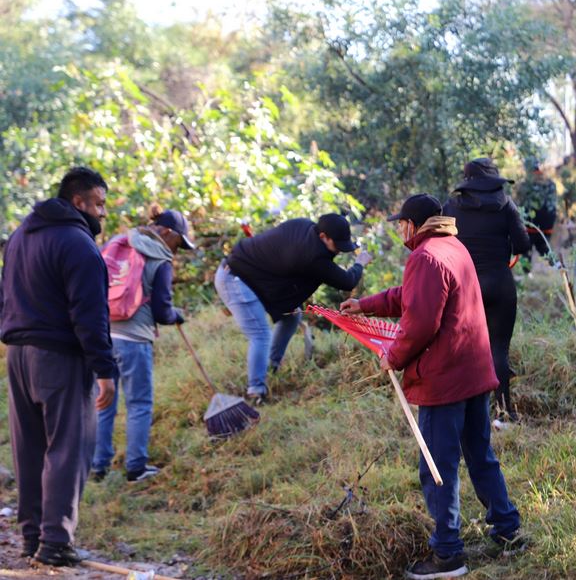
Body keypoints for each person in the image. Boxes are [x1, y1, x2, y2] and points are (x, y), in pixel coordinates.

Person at [340, 194, 522, 580]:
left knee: (438, 467)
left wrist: (394, 356)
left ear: (414, 223)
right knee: (480, 454)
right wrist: (366, 305)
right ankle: (508, 530)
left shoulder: (425, 257)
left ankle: (448, 554)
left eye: (400, 223)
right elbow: (413, 297)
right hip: (473, 372)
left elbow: (421, 322)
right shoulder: (453, 247)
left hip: (445, 380)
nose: (399, 230)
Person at [0, 167, 118, 566]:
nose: (103, 213)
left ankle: (32, 538)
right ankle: (54, 543)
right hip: (60, 358)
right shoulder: (79, 244)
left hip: (18, 356)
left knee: (29, 450)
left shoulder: (20, 236)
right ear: (78, 202)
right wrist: (105, 370)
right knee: (69, 448)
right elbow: (90, 316)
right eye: (99, 204)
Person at [215, 213, 371, 404]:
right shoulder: (313, 257)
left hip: (254, 277)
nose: (339, 250)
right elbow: (347, 281)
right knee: (260, 335)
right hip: (235, 279)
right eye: (336, 245)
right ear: (323, 236)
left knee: (291, 316)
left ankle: (271, 367)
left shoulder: (303, 225)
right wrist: (359, 263)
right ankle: (256, 392)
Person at [92, 206, 193, 483]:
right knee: (138, 403)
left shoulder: (120, 242)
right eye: (179, 243)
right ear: (168, 232)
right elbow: (162, 311)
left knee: (104, 400)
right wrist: (176, 315)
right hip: (134, 340)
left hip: (103, 335)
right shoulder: (160, 257)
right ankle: (136, 467)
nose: (177, 250)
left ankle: (98, 466)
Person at [443, 158, 530, 425]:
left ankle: (465, 414)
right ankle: (504, 412)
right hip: (500, 283)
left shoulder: (450, 207)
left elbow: (439, 246)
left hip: (465, 287)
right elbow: (523, 245)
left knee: (463, 350)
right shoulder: (506, 205)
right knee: (498, 349)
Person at [516, 156, 558, 266]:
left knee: (526, 250)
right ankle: (559, 268)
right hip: (547, 223)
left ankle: (526, 272)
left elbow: (520, 203)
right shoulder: (550, 183)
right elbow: (553, 204)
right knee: (544, 248)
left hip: (530, 223)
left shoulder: (525, 185)